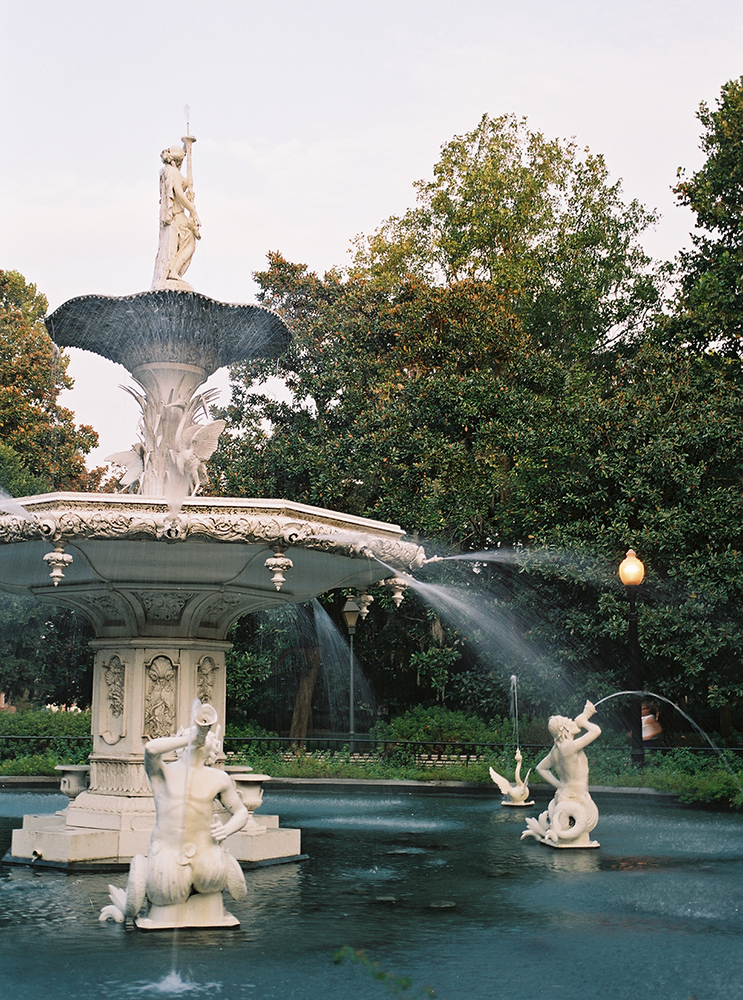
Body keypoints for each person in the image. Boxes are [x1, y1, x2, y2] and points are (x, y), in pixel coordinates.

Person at [522, 700, 601, 848]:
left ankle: (558, 836)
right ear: (565, 729)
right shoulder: (569, 747)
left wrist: (560, 785)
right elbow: (596, 731)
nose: (572, 720)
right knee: (578, 835)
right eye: (568, 720)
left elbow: (541, 768)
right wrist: (584, 721)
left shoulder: (557, 750)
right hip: (576, 798)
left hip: (563, 795)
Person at [151, 143, 201, 289]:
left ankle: (172, 271)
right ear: (177, 162)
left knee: (181, 245)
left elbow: (182, 185)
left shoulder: (166, 171)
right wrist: (193, 210)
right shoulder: (172, 172)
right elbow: (179, 193)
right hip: (177, 216)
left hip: (172, 218)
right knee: (190, 243)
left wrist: (186, 150)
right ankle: (173, 272)